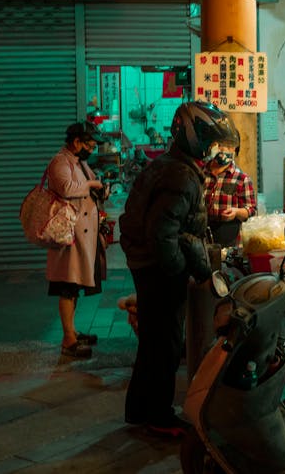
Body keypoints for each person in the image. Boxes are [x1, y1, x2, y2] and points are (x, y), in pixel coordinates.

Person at [118, 100, 237, 438]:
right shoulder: (181, 175)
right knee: (165, 345)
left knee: (152, 343)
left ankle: (139, 410)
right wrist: (177, 271)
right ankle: (158, 414)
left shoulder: (171, 165)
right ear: (193, 137)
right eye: (211, 142)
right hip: (158, 270)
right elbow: (163, 233)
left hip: (146, 265)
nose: (215, 151)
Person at [46, 122, 109, 359]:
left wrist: (100, 190)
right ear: (76, 142)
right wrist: (92, 185)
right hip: (69, 237)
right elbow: (66, 188)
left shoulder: (79, 162)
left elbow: (85, 187)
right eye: (90, 145)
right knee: (67, 286)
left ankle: (71, 331)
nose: (92, 150)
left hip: (82, 236)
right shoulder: (60, 162)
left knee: (75, 286)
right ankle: (68, 340)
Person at [203, 125, 258, 247]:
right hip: (200, 235)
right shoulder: (199, 173)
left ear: (235, 150)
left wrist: (236, 212)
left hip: (228, 237)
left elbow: (251, 210)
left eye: (229, 146)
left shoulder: (242, 179)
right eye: (220, 144)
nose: (223, 150)